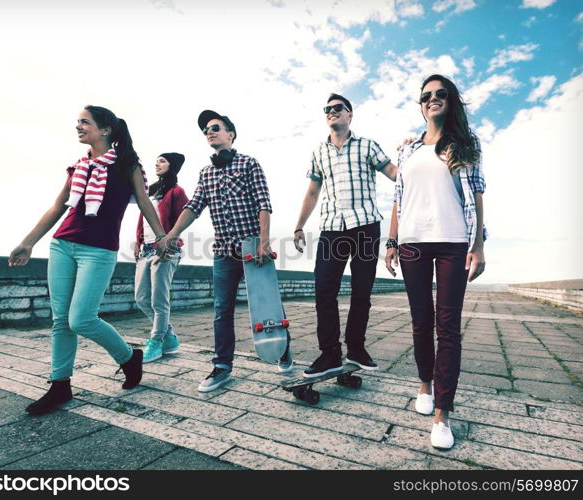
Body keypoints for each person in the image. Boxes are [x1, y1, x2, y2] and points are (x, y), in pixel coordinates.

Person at [9, 105, 171, 416]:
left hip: (98, 250)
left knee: (81, 318)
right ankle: (60, 385)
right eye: (78, 122)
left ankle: (128, 357)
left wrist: (162, 236)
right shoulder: (78, 167)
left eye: (85, 122)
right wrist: (28, 243)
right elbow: (57, 208)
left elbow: (145, 206)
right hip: (62, 245)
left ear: (106, 129)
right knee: (60, 320)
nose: (78, 127)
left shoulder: (127, 166)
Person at [385, 74, 486, 450]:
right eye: (426, 95)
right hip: (412, 243)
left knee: (448, 327)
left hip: (453, 242)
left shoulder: (466, 143)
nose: (433, 99)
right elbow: (399, 197)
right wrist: (392, 241)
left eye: (440, 94)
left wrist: (479, 244)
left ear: (451, 100)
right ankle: (424, 385)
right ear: (420, 104)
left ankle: (443, 413)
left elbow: (477, 193)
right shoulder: (408, 149)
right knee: (420, 322)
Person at [163, 109, 293, 393]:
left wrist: (264, 240)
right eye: (206, 130)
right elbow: (194, 206)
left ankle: (282, 348)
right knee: (222, 309)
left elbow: (263, 202)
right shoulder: (205, 173)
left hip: (251, 245)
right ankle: (222, 366)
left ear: (230, 134)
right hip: (223, 249)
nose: (209, 132)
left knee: (267, 302)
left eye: (215, 127)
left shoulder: (249, 164)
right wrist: (172, 234)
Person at [293, 93, 397, 378]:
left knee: (361, 292)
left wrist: (418, 166)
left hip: (365, 225)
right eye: (327, 109)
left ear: (350, 115)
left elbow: (392, 172)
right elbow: (313, 191)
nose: (332, 112)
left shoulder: (367, 146)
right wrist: (299, 225)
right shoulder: (319, 152)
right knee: (324, 290)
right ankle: (330, 354)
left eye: (338, 108)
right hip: (331, 228)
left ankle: (356, 348)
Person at [134, 152, 189, 363]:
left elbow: (184, 218)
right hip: (146, 248)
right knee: (141, 298)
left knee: (159, 301)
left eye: (163, 161)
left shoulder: (177, 192)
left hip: (166, 249)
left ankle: (156, 341)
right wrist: (138, 240)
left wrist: (170, 241)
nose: (157, 163)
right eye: (156, 160)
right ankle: (170, 337)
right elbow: (144, 217)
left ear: (172, 166)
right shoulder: (151, 191)